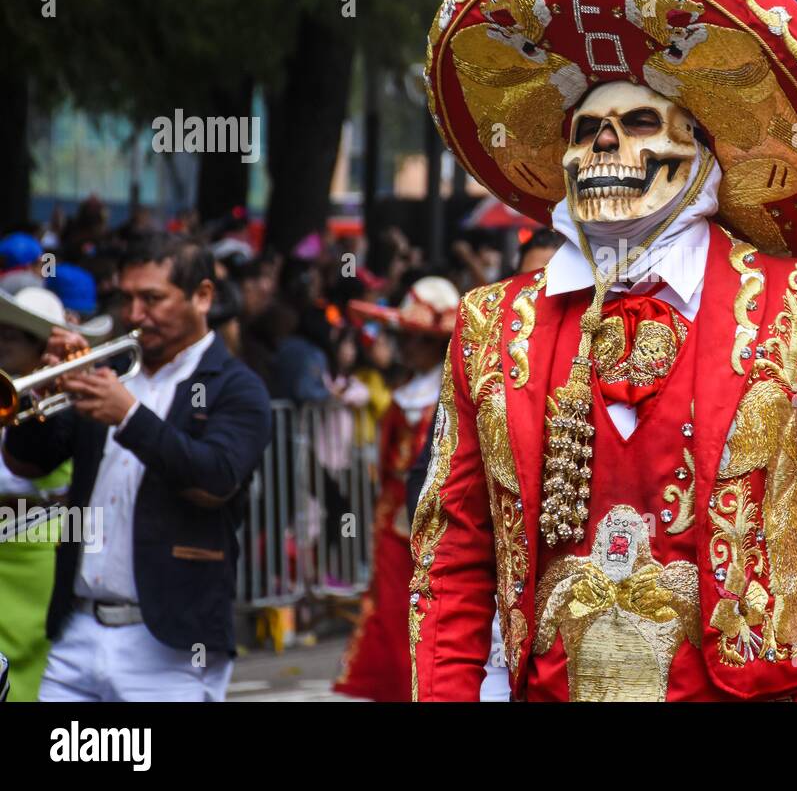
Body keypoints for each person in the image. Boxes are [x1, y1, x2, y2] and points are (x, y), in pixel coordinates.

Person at [410, 0, 797, 702]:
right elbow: (450, 556)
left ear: (704, 155)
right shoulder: (490, 325)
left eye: (640, 124)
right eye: (586, 134)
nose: (604, 150)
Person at [2, 233, 271, 701]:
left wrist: (128, 415)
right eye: (127, 297)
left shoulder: (236, 387)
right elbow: (26, 461)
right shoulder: (107, 372)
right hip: (77, 631)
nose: (135, 314)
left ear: (202, 296)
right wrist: (42, 400)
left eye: (153, 299)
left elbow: (217, 478)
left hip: (171, 644)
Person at [333, 276, 458, 701]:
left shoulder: (453, 392)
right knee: (390, 607)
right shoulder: (406, 392)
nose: (404, 346)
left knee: (435, 613)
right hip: (392, 521)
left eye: (415, 338)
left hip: (443, 523)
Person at [0, 287, 113, 701]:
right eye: (2, 331)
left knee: (39, 673)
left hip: (40, 553)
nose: (4, 340)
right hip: (4, 562)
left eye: (17, 334)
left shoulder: (68, 402)